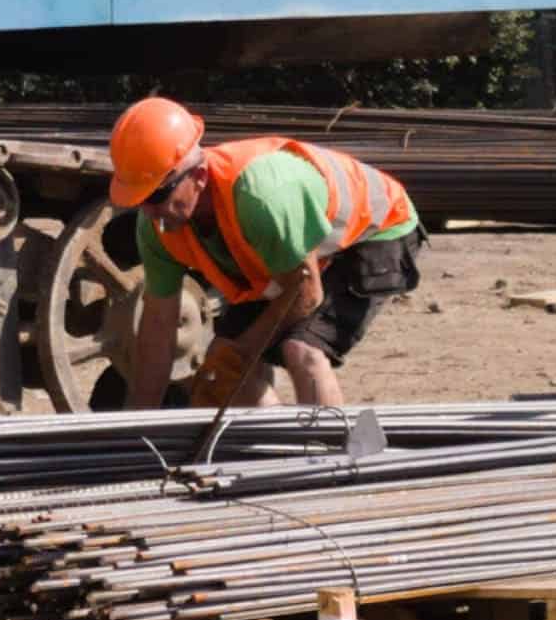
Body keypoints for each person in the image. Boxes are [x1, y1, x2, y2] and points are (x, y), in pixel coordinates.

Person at [103, 97, 423, 412]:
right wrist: (139, 420)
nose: (149, 211)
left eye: (158, 195)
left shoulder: (258, 198)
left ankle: (329, 454)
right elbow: (158, 323)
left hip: (374, 229)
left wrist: (240, 351)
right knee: (223, 370)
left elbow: (306, 294)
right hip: (293, 251)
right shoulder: (157, 225)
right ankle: (277, 452)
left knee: (301, 349)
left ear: (198, 176)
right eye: (139, 199)